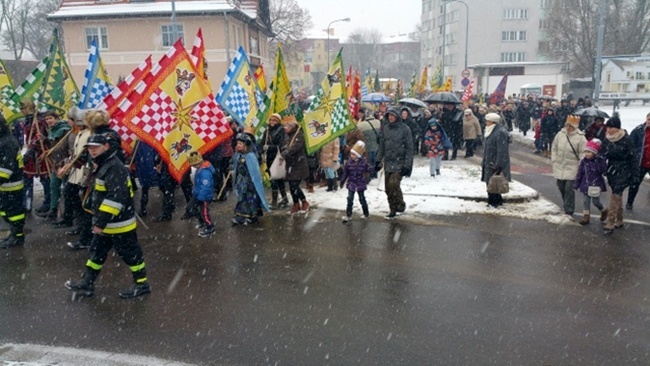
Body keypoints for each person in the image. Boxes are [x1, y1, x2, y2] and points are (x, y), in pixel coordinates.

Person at [64, 134, 151, 298]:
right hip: (106, 224)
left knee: (131, 254)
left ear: (106, 147)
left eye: (96, 147)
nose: (92, 151)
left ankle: (142, 284)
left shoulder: (114, 167)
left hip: (119, 225)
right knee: (96, 252)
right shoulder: (104, 165)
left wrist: (101, 221)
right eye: (89, 148)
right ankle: (87, 282)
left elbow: (115, 198)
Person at [375, 107, 414, 219]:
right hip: (388, 162)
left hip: (399, 162)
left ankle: (400, 204)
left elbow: (409, 149)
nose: (391, 117)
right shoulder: (386, 128)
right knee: (388, 188)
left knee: (394, 184)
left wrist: (407, 165)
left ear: (397, 116)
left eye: (393, 115)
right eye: (389, 115)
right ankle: (392, 208)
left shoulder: (405, 129)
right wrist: (378, 160)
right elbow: (382, 146)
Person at [601, 116, 636, 235]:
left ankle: (610, 222)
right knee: (617, 195)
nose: (608, 130)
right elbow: (603, 153)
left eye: (611, 127)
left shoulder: (626, 139)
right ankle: (620, 219)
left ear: (617, 128)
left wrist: (634, 174)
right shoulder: (607, 139)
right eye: (608, 127)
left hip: (624, 170)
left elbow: (633, 157)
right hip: (612, 170)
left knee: (616, 194)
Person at [37, 111, 72, 220]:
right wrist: (44, 139)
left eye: (50, 118)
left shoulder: (64, 129)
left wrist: (47, 152)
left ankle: (68, 214)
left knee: (67, 190)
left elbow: (61, 146)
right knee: (54, 186)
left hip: (65, 163)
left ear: (56, 118)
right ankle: (53, 210)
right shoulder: (52, 130)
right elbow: (53, 143)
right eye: (46, 119)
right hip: (56, 164)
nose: (48, 121)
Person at [18, 99, 51, 213]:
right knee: (27, 181)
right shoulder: (27, 120)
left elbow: (39, 137)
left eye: (23, 108)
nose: (22, 111)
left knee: (46, 180)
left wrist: (31, 151)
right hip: (30, 154)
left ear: (28, 108)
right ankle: (27, 205)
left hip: (41, 152)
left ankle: (48, 204)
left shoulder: (39, 120)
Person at [551, 115, 586, 220]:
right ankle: (566, 204)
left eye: (570, 126)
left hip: (572, 167)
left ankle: (569, 210)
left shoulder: (581, 138)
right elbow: (554, 147)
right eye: (567, 125)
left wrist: (581, 165)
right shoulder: (560, 135)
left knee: (568, 189)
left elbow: (582, 153)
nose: (568, 128)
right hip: (560, 166)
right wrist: (554, 158)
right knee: (561, 186)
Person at [0, 115, 27, 249]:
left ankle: (18, 236)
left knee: (15, 213)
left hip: (12, 185)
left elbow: (6, 168)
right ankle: (13, 234)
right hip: (6, 186)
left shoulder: (7, 143)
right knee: (6, 211)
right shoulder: (4, 140)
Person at [232, 133, 270, 225]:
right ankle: (240, 216)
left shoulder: (251, 156)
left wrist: (252, 181)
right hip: (242, 181)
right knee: (242, 199)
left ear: (246, 145)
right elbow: (234, 165)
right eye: (237, 144)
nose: (238, 146)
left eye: (240, 144)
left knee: (250, 199)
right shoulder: (238, 155)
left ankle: (252, 216)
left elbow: (254, 172)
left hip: (249, 182)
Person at [573, 139, 608, 225]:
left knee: (596, 201)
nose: (587, 154)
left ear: (594, 153)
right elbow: (580, 173)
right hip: (585, 184)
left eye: (589, 152)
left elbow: (602, 170)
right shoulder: (584, 161)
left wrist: (599, 161)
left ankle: (604, 210)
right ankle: (586, 216)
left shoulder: (599, 161)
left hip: (596, 184)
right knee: (586, 201)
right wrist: (577, 183)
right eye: (586, 152)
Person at [481, 113, 511, 208]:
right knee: (490, 182)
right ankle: (494, 201)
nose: (486, 122)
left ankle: (494, 202)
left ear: (492, 122)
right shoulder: (491, 130)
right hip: (490, 160)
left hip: (494, 163)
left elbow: (502, 150)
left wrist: (498, 164)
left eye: (487, 121)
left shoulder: (499, 132)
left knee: (493, 183)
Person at [280, 122, 310, 214]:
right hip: (290, 165)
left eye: (287, 125)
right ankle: (296, 204)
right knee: (291, 185)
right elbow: (283, 146)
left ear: (292, 126)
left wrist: (287, 151)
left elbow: (295, 147)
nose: (285, 127)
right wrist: (284, 148)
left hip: (298, 164)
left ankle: (303, 201)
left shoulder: (299, 134)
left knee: (294, 185)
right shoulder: (286, 136)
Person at [260, 113, 288, 209]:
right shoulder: (267, 131)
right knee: (274, 178)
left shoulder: (281, 131)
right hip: (269, 158)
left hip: (277, 157)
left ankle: (277, 200)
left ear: (278, 121)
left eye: (274, 120)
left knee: (277, 179)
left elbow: (281, 146)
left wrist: (269, 147)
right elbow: (262, 142)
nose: (272, 122)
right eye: (271, 120)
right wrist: (261, 150)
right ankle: (281, 199)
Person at [340, 141, 372, 222]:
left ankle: (366, 213)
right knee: (350, 199)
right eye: (351, 154)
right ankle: (348, 214)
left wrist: (375, 168)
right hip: (352, 183)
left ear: (358, 155)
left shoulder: (363, 163)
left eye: (354, 154)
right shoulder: (348, 163)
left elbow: (369, 169)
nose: (352, 156)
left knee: (362, 199)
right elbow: (346, 173)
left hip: (360, 183)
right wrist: (342, 181)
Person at [186, 151, 215, 237]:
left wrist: (201, 197)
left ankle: (210, 226)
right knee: (190, 208)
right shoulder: (201, 169)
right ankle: (202, 221)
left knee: (204, 212)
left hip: (204, 196)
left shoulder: (205, 172)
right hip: (198, 194)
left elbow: (205, 186)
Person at [626, 112, 650, 210]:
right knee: (635, 183)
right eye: (649, 119)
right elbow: (630, 144)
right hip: (640, 162)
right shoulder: (639, 130)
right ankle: (629, 202)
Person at [356, 108, 381, 179]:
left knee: (369, 161)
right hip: (376, 144)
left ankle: (370, 174)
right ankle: (375, 173)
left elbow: (357, 129)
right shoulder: (378, 122)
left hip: (368, 145)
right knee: (375, 159)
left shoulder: (362, 124)